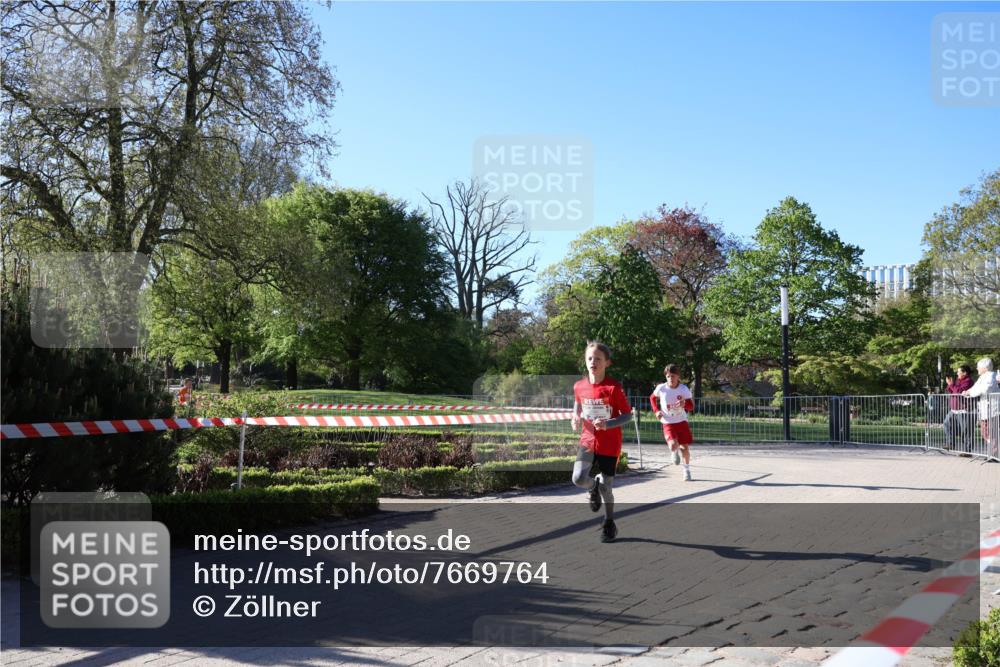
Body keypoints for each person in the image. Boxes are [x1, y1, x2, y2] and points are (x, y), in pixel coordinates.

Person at [571, 341, 633, 543]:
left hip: (609, 443)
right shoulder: (579, 386)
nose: (593, 362)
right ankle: (592, 487)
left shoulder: (613, 387)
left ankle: (609, 522)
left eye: (598, 359)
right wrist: (575, 416)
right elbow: (578, 403)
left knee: (607, 488)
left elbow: (627, 415)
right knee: (578, 478)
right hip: (588, 440)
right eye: (589, 358)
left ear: (607, 363)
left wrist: (609, 424)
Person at [650, 364, 696, 480]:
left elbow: (691, 406)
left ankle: (686, 470)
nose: (671, 379)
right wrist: (656, 411)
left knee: (684, 447)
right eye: (668, 376)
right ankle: (674, 452)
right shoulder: (661, 388)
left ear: (678, 376)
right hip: (667, 421)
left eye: (673, 376)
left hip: (681, 421)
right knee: (672, 445)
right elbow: (652, 398)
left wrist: (684, 404)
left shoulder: (683, 389)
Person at [963, 358, 1000, 460]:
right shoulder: (982, 377)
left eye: (978, 367)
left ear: (985, 368)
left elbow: (985, 389)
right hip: (985, 410)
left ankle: (994, 455)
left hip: (992, 410)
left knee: (992, 432)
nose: (977, 368)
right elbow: (975, 388)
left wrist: (970, 393)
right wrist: (967, 392)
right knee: (985, 432)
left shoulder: (991, 376)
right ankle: (992, 453)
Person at [943, 365, 974, 451]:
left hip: (963, 410)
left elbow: (959, 391)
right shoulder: (957, 380)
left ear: (964, 373)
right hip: (954, 410)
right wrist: (950, 384)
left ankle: (967, 451)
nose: (957, 373)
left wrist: (952, 385)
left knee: (965, 431)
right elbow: (951, 390)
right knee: (946, 424)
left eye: (958, 372)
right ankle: (951, 444)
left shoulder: (968, 381)